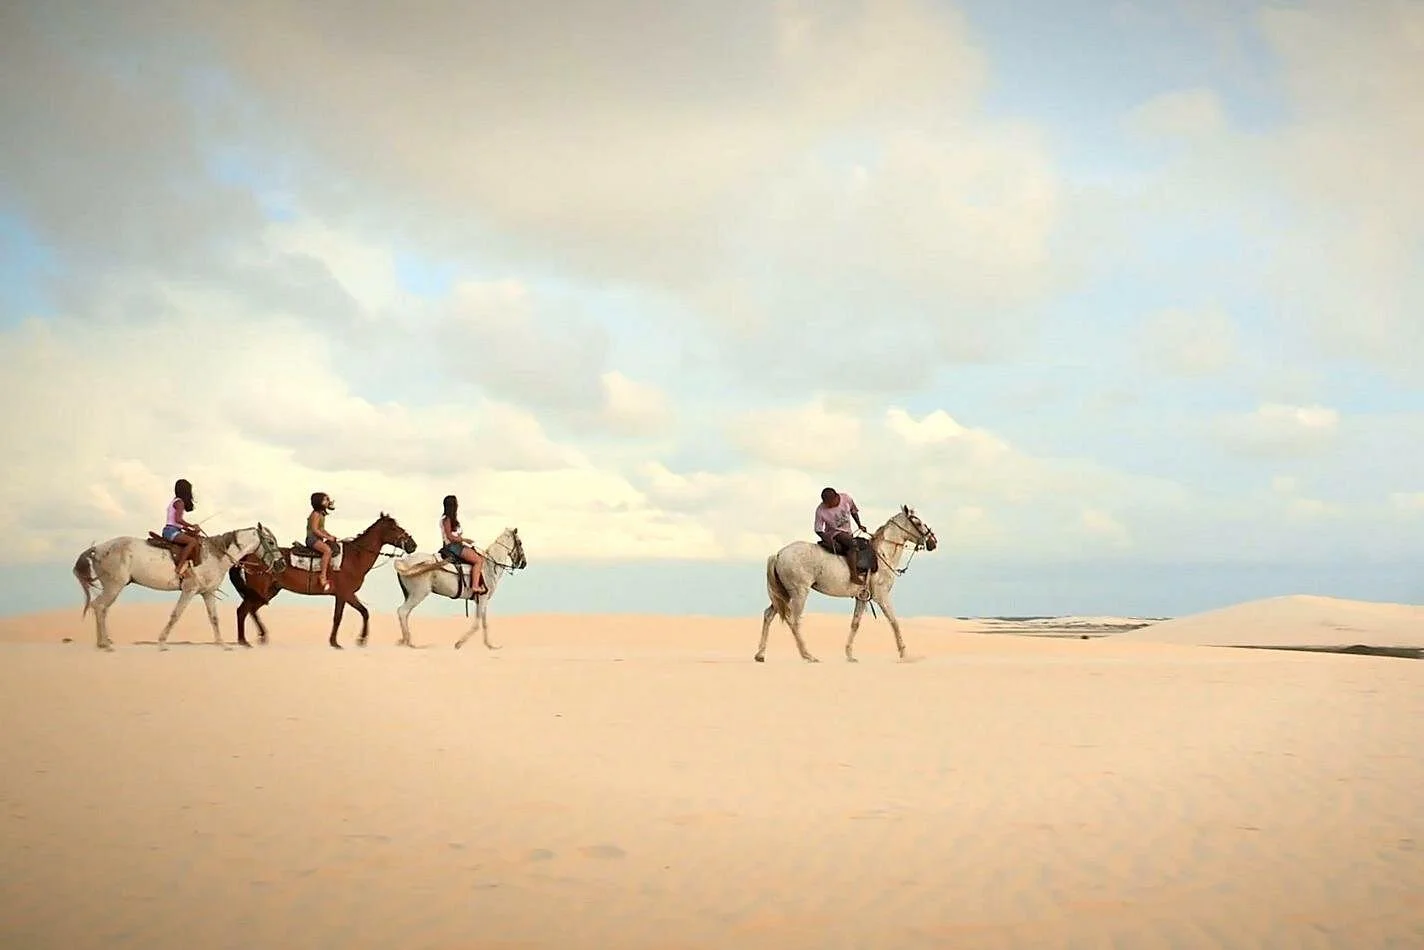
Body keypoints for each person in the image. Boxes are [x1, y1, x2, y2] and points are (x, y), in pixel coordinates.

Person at [814, 486, 869, 583]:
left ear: (836, 497)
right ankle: (854, 575)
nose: (828, 505)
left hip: (848, 532)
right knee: (852, 544)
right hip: (834, 533)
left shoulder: (846, 498)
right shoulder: (820, 510)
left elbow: (853, 511)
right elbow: (818, 529)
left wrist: (859, 525)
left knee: (863, 544)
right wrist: (827, 539)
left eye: (830, 503)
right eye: (826, 504)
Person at [440, 495, 487, 596]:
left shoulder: (448, 519)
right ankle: (475, 586)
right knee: (478, 560)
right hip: (453, 547)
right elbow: (449, 536)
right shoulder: (447, 519)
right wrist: (464, 540)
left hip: (455, 545)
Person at [163, 478, 203, 578]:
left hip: (172, 529)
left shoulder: (175, 501)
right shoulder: (180, 502)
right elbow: (178, 520)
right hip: (171, 531)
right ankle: (180, 567)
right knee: (192, 542)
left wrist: (189, 530)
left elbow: (178, 523)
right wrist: (192, 526)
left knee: (195, 539)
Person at [306, 492, 338, 592]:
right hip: (312, 539)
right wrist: (326, 537)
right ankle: (322, 576)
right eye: (325, 500)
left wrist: (329, 536)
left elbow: (322, 529)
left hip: (317, 539)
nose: (327, 501)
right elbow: (315, 530)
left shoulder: (321, 515)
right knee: (327, 551)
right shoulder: (315, 514)